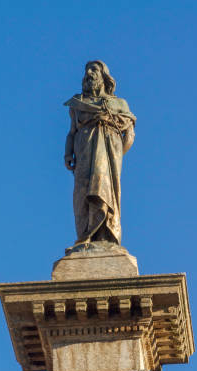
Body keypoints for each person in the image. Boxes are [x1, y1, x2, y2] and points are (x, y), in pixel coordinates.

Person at [64, 61, 136, 246]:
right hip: (83, 151)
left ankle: (105, 235)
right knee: (81, 194)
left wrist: (117, 153)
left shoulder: (119, 103)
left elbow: (129, 133)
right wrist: (68, 154)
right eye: (87, 70)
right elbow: (72, 132)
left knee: (103, 188)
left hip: (108, 150)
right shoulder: (78, 103)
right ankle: (84, 235)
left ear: (104, 76)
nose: (89, 73)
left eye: (94, 69)